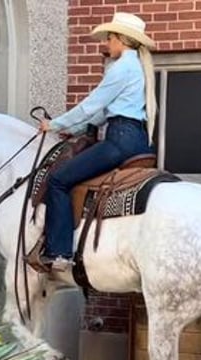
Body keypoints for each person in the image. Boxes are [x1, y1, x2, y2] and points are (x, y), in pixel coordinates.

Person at [37, 12, 157, 272]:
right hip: (139, 141)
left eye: (110, 38)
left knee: (58, 180)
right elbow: (103, 113)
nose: (107, 44)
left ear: (122, 40)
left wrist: (55, 124)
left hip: (120, 140)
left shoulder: (122, 67)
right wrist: (77, 129)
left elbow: (90, 105)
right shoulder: (137, 67)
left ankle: (59, 253)